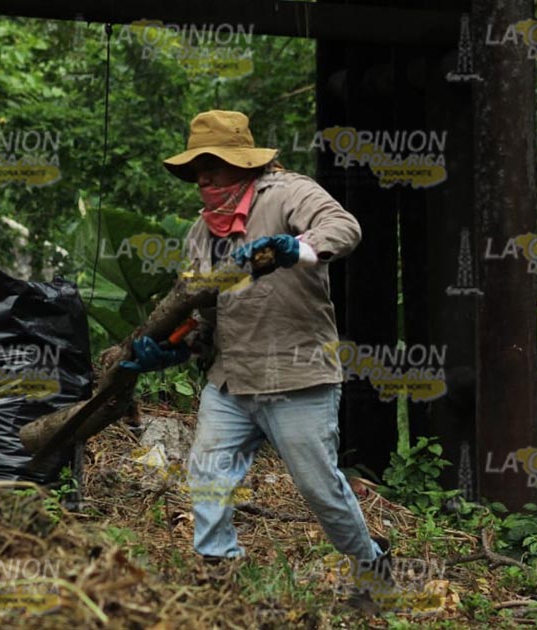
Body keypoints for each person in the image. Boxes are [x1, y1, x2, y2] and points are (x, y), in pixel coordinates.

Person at [121, 110, 392, 604]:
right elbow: (207, 319)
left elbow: (343, 227)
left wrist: (297, 248)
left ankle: (371, 564)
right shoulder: (200, 234)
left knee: (320, 491)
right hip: (231, 379)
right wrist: (172, 348)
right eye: (196, 168)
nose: (203, 177)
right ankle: (218, 575)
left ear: (242, 163)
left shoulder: (288, 193)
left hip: (297, 374)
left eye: (213, 164)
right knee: (208, 476)